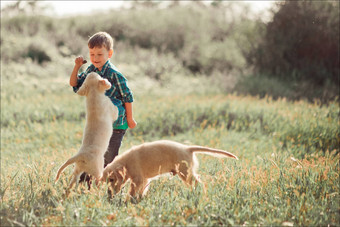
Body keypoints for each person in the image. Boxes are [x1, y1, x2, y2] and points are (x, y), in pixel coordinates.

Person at [69, 31, 137, 187]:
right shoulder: (90, 71)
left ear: (110, 53)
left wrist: (130, 118)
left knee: (109, 156)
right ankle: (85, 185)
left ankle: (109, 185)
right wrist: (77, 67)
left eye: (100, 54)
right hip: (99, 125)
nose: (95, 58)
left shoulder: (115, 74)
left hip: (116, 124)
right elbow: (75, 84)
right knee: (92, 153)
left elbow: (127, 96)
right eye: (92, 54)